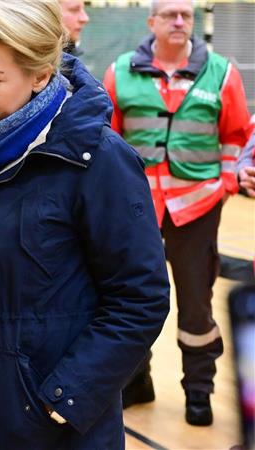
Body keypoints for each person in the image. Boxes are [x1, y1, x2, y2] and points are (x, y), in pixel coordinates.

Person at [0, 1, 170, 448]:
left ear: (39, 76)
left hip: (47, 428)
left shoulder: (98, 160)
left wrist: (65, 397)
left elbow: (140, 297)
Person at [102, 0, 252, 426]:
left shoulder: (222, 73)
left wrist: (225, 182)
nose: (180, 22)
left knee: (195, 304)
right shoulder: (120, 71)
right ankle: (135, 382)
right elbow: (109, 137)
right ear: (152, 22)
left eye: (187, 15)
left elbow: (237, 136)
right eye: (170, 14)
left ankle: (199, 392)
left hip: (197, 206)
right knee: (131, 299)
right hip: (137, 208)